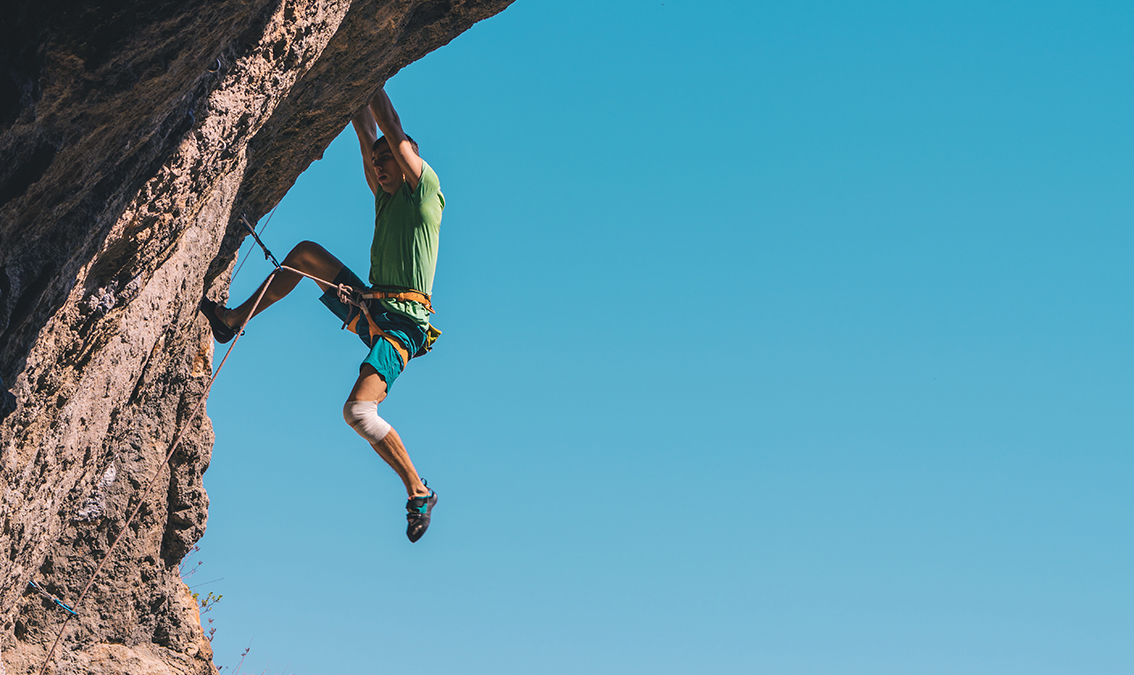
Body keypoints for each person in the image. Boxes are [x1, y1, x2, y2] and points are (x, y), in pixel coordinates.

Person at [200, 85, 443, 542]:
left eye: (387, 159)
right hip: (376, 303)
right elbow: (367, 128)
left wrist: (378, 71)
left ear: (408, 158)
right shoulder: (387, 196)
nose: (379, 166)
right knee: (306, 255)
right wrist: (357, 95)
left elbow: (389, 127)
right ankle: (232, 321)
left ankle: (418, 490)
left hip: (404, 324)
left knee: (358, 411)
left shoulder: (425, 192)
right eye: (376, 163)